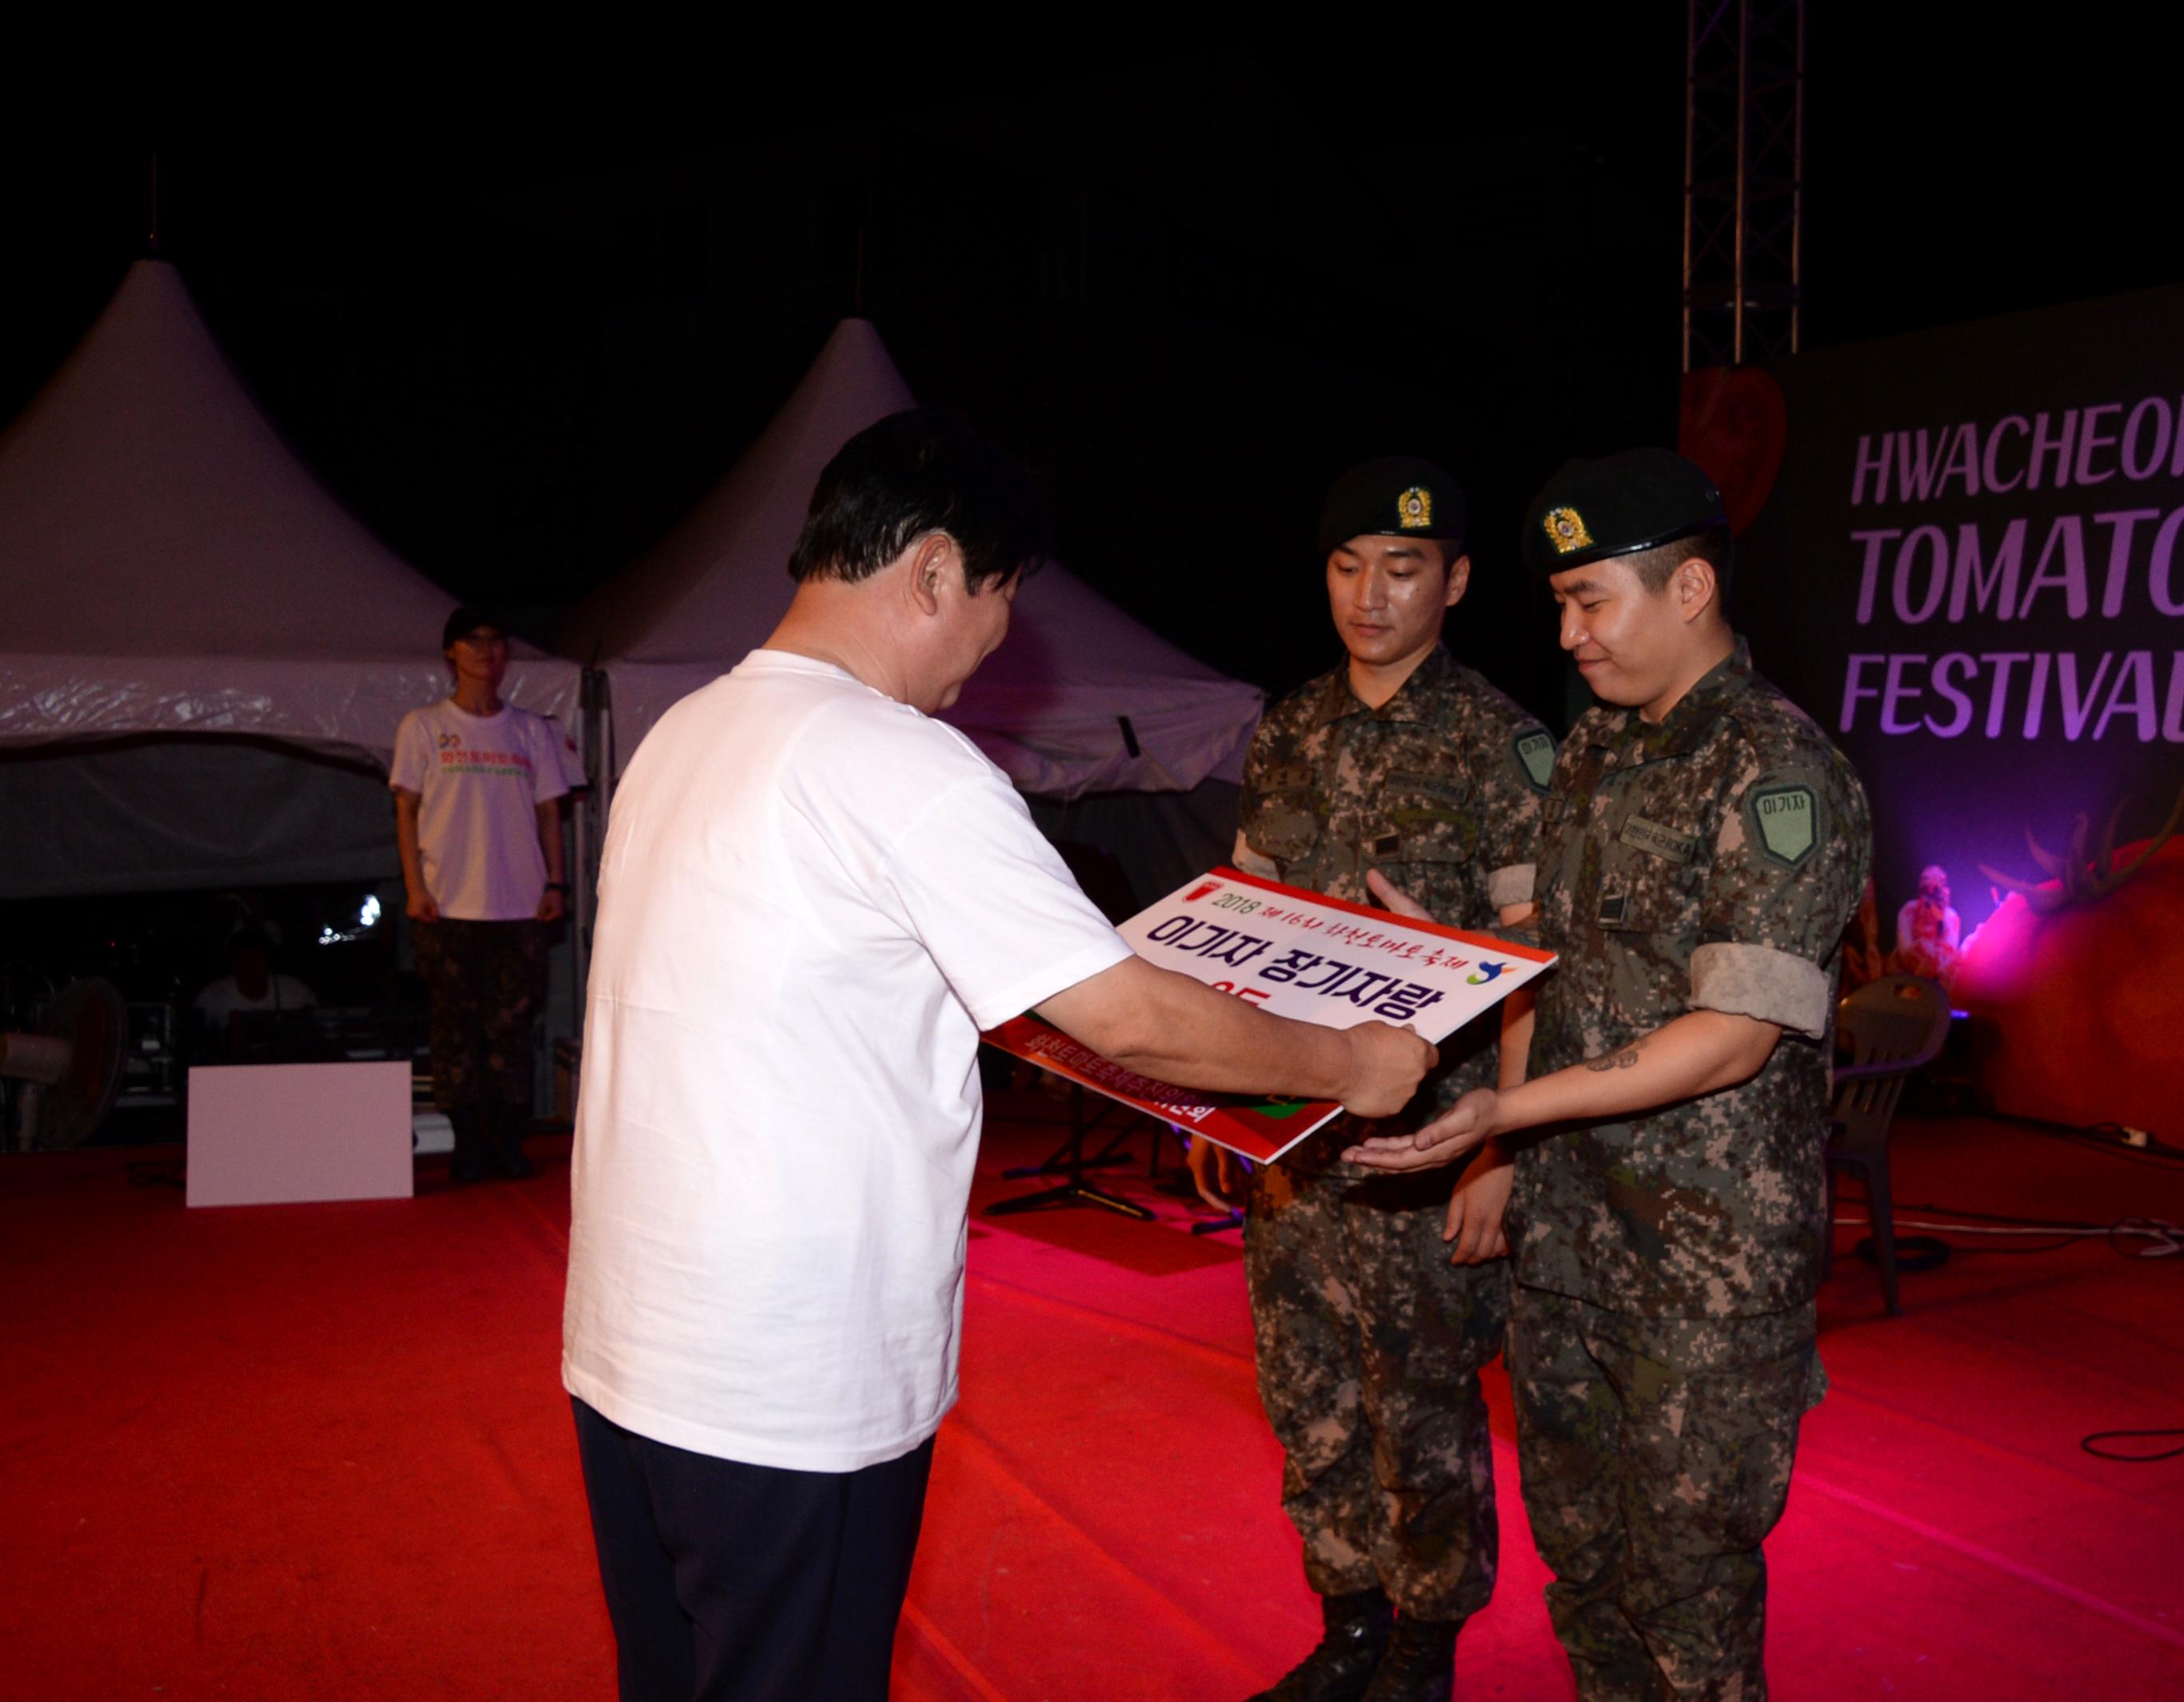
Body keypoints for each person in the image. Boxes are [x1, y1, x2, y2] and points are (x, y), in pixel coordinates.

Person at [561, 410, 1438, 1702]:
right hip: (789, 1371)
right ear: (930, 570)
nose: (988, 649)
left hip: (630, 1348)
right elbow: (1124, 1014)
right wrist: (1355, 1061)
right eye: (997, 604)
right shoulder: (900, 762)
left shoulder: (685, 731)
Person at [1350, 449, 1871, 1701]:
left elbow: (1732, 1034)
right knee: (1583, 1571)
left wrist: (1505, 1114)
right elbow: (1553, 973)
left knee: (1687, 1601)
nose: (1570, 633)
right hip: (1572, 1248)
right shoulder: (1594, 755)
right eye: (1562, 606)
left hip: (1703, 1272)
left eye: (1593, 601)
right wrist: (1432, 971)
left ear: (1690, 589)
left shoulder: (1779, 771)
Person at [1192, 457, 1550, 1702]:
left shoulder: (1501, 744)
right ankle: (1347, 1626)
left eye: (1401, 570)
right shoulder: (1289, 728)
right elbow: (1237, 923)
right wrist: (1219, 1098)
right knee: (1308, 1391)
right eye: (1348, 568)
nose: (1370, 596)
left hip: (1426, 1145)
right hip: (1295, 1145)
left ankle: (1424, 1644)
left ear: (1452, 581)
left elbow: (1529, 972)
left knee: (1428, 1410)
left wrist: (1501, 1152)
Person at [390, 607, 575, 1184]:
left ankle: (506, 1139)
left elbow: (551, 812)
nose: (486, 652)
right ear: (451, 652)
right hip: (447, 904)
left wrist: (555, 881)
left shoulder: (530, 730)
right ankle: (468, 1141)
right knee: (454, 1029)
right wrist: (414, 887)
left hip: (518, 903)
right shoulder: (422, 726)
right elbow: (406, 810)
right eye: (474, 642)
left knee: (512, 1030)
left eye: (496, 642)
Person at [193, 932, 317, 1046]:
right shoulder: (213, 995)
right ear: (233, 963)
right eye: (245, 960)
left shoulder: (295, 990)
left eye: (257, 960)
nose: (251, 966)